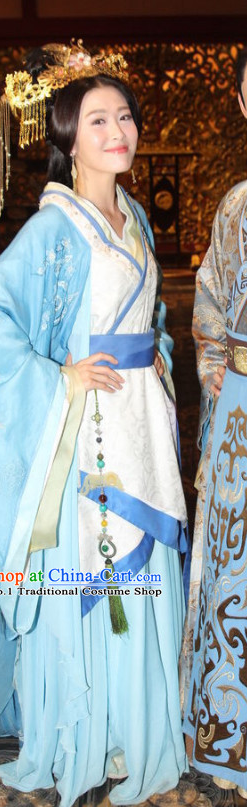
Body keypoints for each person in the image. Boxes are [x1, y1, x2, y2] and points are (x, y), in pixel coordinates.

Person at [0, 42, 188, 807]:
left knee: (146, 571)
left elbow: (149, 314)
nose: (118, 128)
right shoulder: (55, 230)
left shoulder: (131, 219)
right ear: (67, 138)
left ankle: (137, 726)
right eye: (98, 119)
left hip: (139, 424)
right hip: (85, 432)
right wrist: (58, 373)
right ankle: (90, 730)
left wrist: (153, 354)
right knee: (98, 576)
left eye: (123, 114)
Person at [182, 47, 247, 798]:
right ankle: (227, 735)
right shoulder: (234, 204)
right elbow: (206, 316)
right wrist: (219, 396)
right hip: (241, 416)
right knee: (233, 570)